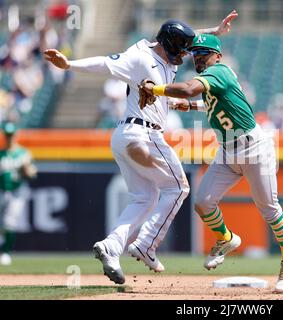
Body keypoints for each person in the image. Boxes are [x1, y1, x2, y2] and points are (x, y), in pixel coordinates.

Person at [43, 11, 238, 284]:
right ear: (169, 45)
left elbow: (188, 38)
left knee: (143, 199)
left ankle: (111, 247)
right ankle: (146, 244)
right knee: (178, 187)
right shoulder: (140, 56)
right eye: (182, 50)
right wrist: (69, 64)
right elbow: (104, 63)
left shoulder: (164, 54)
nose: (185, 56)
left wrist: (214, 32)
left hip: (125, 135)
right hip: (144, 135)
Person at [139, 34, 283, 293]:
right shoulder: (213, 80)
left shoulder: (220, 71)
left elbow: (191, 88)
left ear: (217, 55)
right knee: (203, 202)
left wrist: (155, 89)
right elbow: (214, 103)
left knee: (269, 209)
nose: (198, 56)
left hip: (254, 149)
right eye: (195, 53)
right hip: (227, 151)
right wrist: (190, 107)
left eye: (204, 51)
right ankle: (226, 239)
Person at [0, 122, 37, 265]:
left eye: (11, 135)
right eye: (7, 135)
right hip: (2, 190)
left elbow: (32, 173)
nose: (9, 138)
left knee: (9, 222)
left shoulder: (23, 153)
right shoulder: (1, 154)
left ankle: (5, 252)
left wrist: (27, 170)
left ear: (15, 135)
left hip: (17, 191)